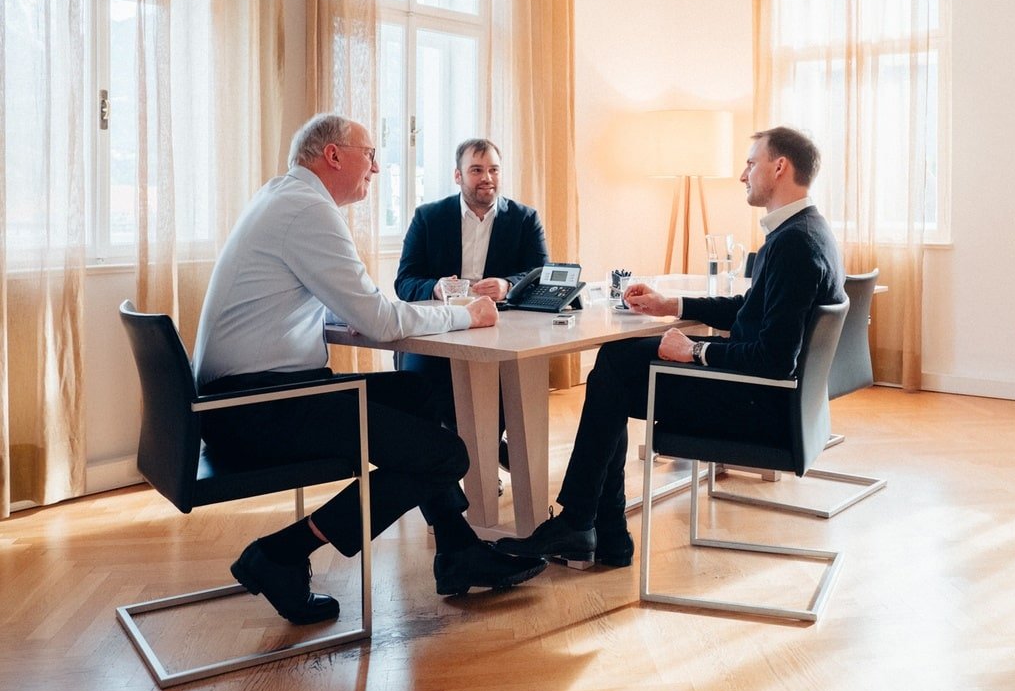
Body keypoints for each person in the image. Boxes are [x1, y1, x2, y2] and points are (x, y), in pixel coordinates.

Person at [193, 114, 546, 627]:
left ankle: (457, 548)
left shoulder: (285, 198)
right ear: (333, 155)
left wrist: (355, 314)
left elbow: (341, 305)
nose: (377, 167)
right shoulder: (306, 210)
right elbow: (381, 318)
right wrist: (466, 314)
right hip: (258, 409)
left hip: (250, 399)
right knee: (446, 455)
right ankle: (282, 552)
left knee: (418, 394)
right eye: (369, 153)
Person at [494, 126, 845, 569]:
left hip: (757, 407)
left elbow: (774, 360)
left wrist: (695, 353)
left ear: (780, 167)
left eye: (751, 163)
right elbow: (750, 309)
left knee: (615, 370)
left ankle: (586, 524)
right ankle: (599, 531)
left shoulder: (795, 243)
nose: (743, 175)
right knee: (617, 365)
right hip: (771, 397)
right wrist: (670, 304)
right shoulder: (805, 230)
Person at [394, 138, 548, 461]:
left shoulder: (525, 219)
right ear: (458, 176)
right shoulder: (428, 217)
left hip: (499, 331)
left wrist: (509, 285)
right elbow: (404, 281)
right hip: (438, 331)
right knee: (419, 385)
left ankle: (483, 455)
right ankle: (444, 465)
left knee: (514, 380)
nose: (487, 178)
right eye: (476, 170)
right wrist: (435, 288)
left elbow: (542, 274)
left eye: (493, 169)